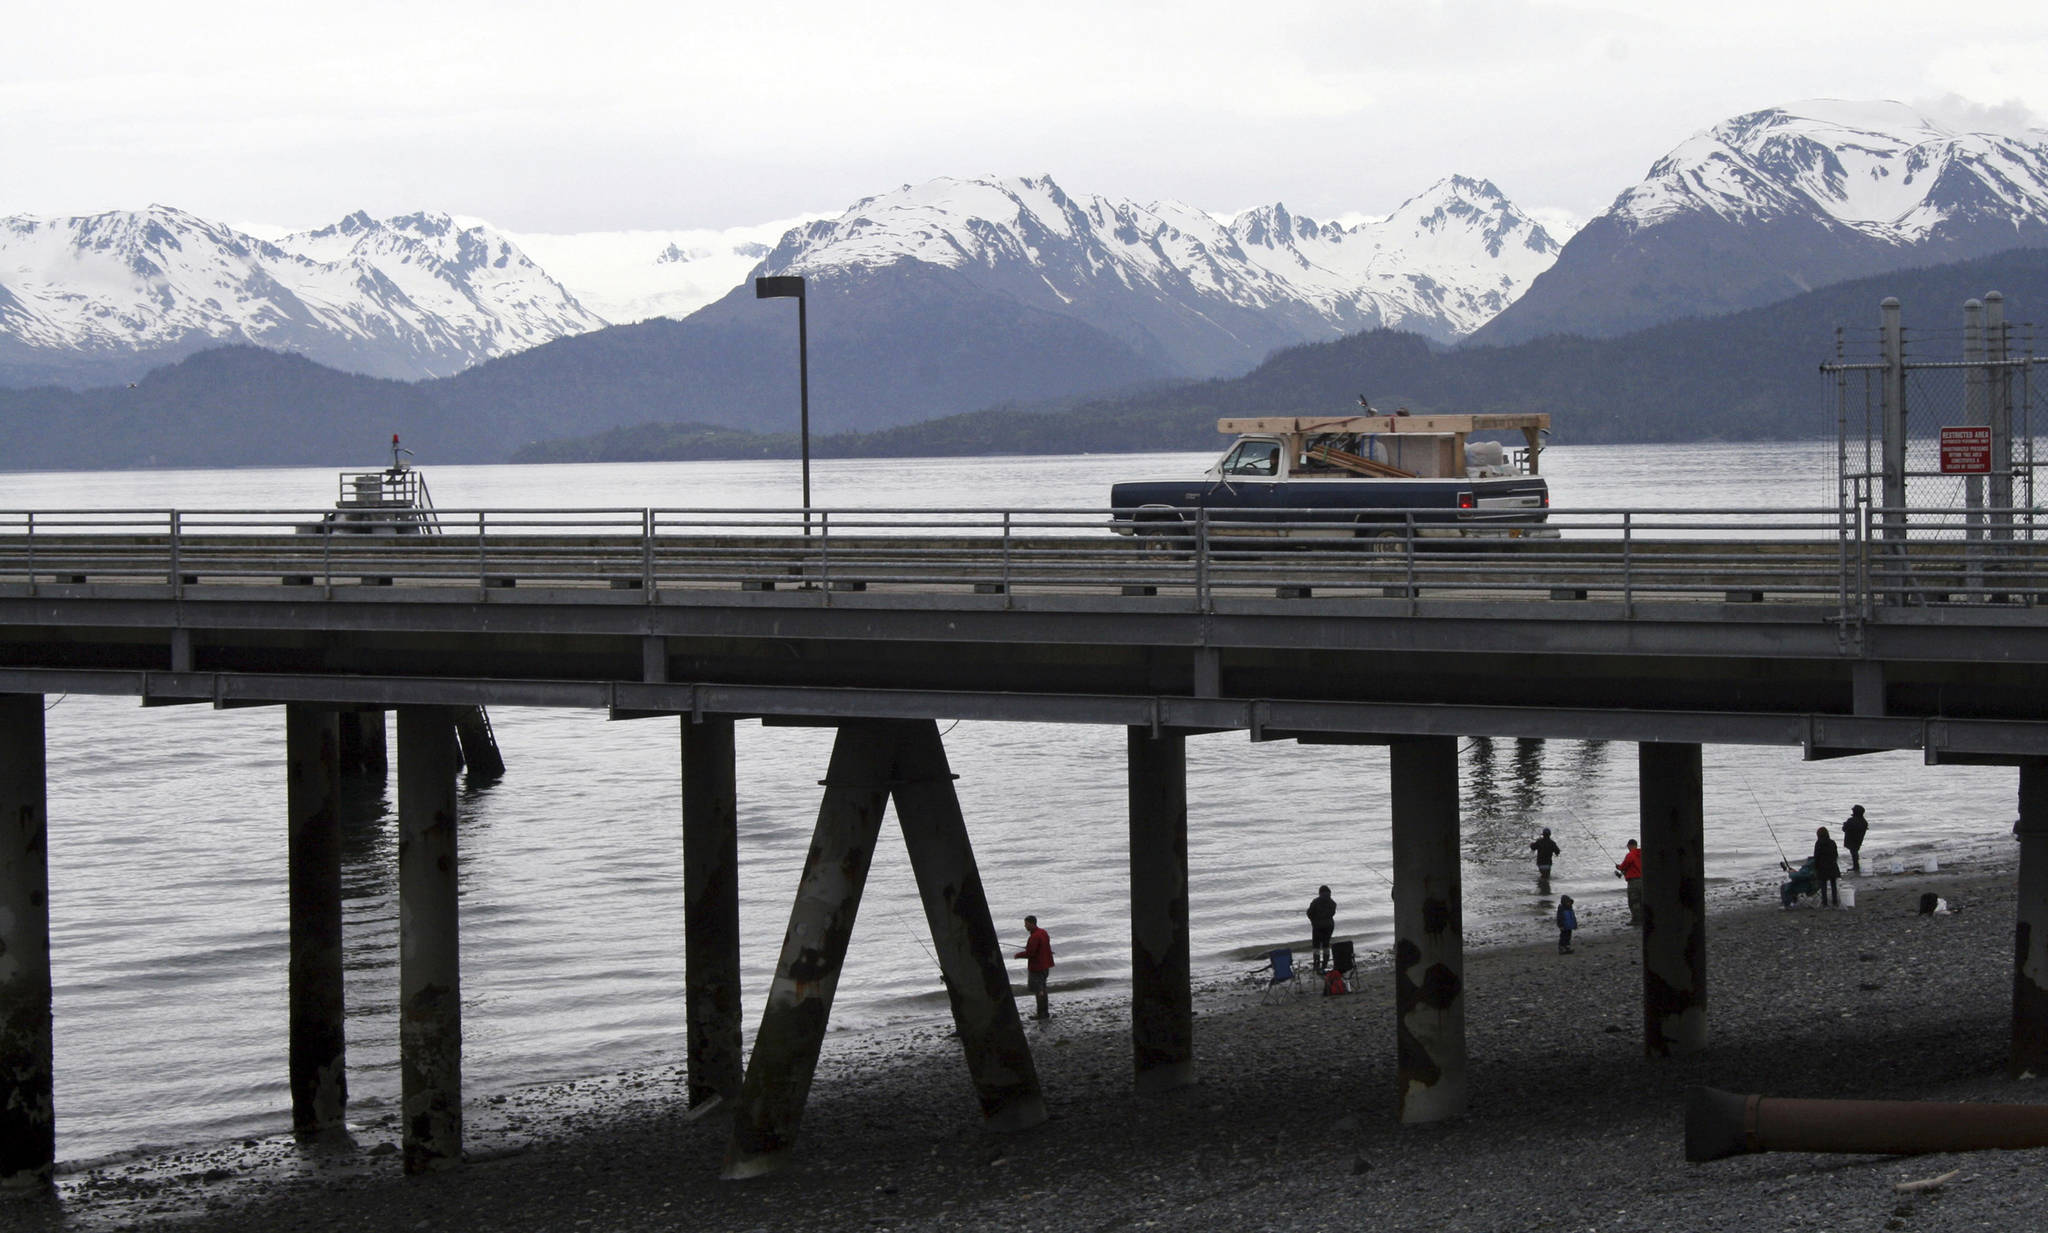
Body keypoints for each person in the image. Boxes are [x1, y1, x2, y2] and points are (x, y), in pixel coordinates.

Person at [1014, 915, 1053, 1020]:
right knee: (1043, 989)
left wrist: (1018, 955)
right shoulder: (1043, 932)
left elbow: (1031, 953)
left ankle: (1041, 1014)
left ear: (1032, 924)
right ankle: (1044, 1012)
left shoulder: (1034, 936)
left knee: (1038, 990)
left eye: (1026, 924)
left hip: (1037, 967)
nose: (1025, 926)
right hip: (1045, 965)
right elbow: (1043, 947)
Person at [1306, 885, 1337, 973]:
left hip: (1318, 926)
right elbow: (1332, 914)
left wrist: (1313, 920)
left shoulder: (1315, 901)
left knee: (1316, 946)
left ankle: (1316, 965)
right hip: (1329, 926)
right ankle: (1325, 964)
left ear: (1320, 893)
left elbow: (1309, 913)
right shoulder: (1333, 903)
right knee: (1326, 945)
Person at [1615, 839, 1643, 925]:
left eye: (1628, 846)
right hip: (1644, 881)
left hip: (1634, 882)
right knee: (1642, 900)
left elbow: (1623, 867)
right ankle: (1643, 918)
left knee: (1634, 901)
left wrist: (1618, 867)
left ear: (1630, 845)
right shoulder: (1642, 853)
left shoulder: (1630, 855)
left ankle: (1636, 920)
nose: (1628, 848)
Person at [1813, 826, 1841, 907]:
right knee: (1833, 884)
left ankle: (1825, 903)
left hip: (1822, 867)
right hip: (1832, 865)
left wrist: (1815, 867)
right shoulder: (1832, 842)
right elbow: (1836, 854)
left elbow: (1816, 856)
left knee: (1823, 885)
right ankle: (1835, 901)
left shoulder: (1818, 843)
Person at [1843, 805, 1869, 873]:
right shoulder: (1864, 821)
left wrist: (1845, 824)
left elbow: (1844, 829)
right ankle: (1856, 866)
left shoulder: (1851, 820)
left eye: (1853, 810)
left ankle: (1856, 867)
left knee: (1854, 852)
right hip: (1859, 840)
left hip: (1851, 840)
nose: (1852, 811)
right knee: (1855, 852)